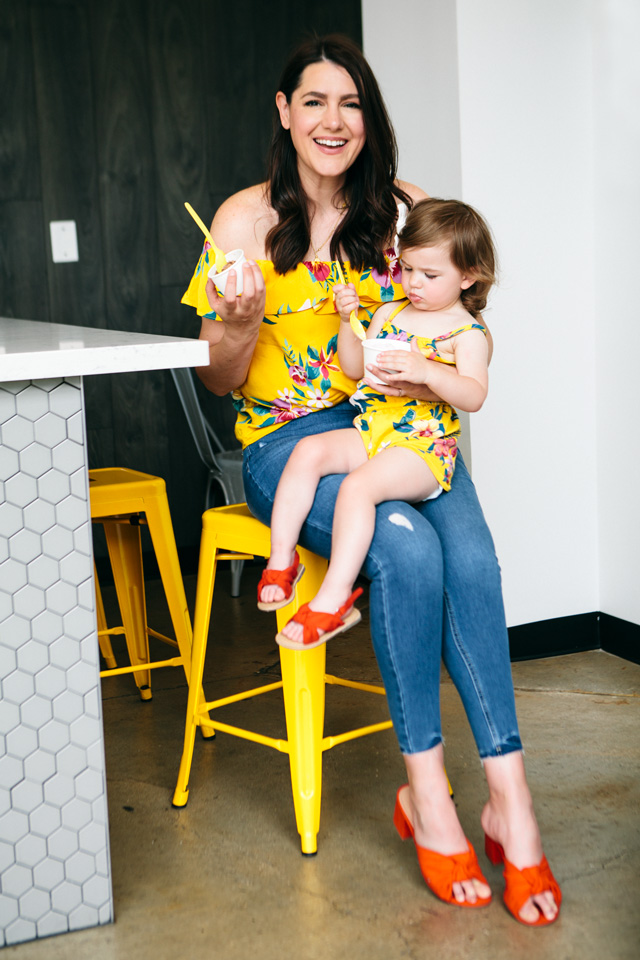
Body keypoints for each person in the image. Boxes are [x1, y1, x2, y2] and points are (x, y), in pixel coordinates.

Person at [182, 34, 561, 925]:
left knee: (469, 557)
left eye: (350, 104)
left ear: (368, 119)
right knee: (408, 557)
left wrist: (438, 366)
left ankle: (511, 803)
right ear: (284, 113)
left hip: (398, 429)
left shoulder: (405, 211)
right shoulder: (243, 224)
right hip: (290, 443)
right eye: (314, 101)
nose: (333, 120)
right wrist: (238, 321)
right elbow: (221, 377)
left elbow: (459, 316)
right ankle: (428, 797)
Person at [258, 198, 493, 653]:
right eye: (406, 270)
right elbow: (352, 367)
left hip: (424, 448)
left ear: (467, 276)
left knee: (357, 488)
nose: (414, 284)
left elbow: (474, 396)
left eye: (430, 275)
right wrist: (349, 321)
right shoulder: (389, 313)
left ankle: (334, 599)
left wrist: (426, 371)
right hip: (376, 430)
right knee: (307, 452)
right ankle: (281, 560)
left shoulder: (466, 334)